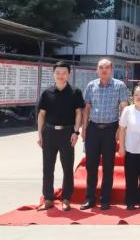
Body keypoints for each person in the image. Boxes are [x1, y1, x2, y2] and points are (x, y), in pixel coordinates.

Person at [81, 59, 129, 210]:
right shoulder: (91, 85)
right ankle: (90, 198)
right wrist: (84, 128)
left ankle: (105, 199)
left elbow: (124, 108)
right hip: (93, 129)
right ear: (97, 70)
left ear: (111, 69)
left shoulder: (119, 86)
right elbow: (86, 108)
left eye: (106, 67)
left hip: (111, 129)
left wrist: (120, 129)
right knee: (91, 166)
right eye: (101, 67)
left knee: (108, 166)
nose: (104, 70)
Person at [37, 61, 85, 211]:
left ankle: (66, 198)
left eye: (64, 73)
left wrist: (76, 132)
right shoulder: (47, 93)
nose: (60, 75)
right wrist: (40, 134)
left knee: (67, 167)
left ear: (69, 74)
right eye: (57, 72)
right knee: (47, 167)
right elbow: (42, 114)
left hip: (67, 133)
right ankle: (48, 199)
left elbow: (79, 113)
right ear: (53, 74)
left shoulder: (75, 92)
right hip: (49, 133)